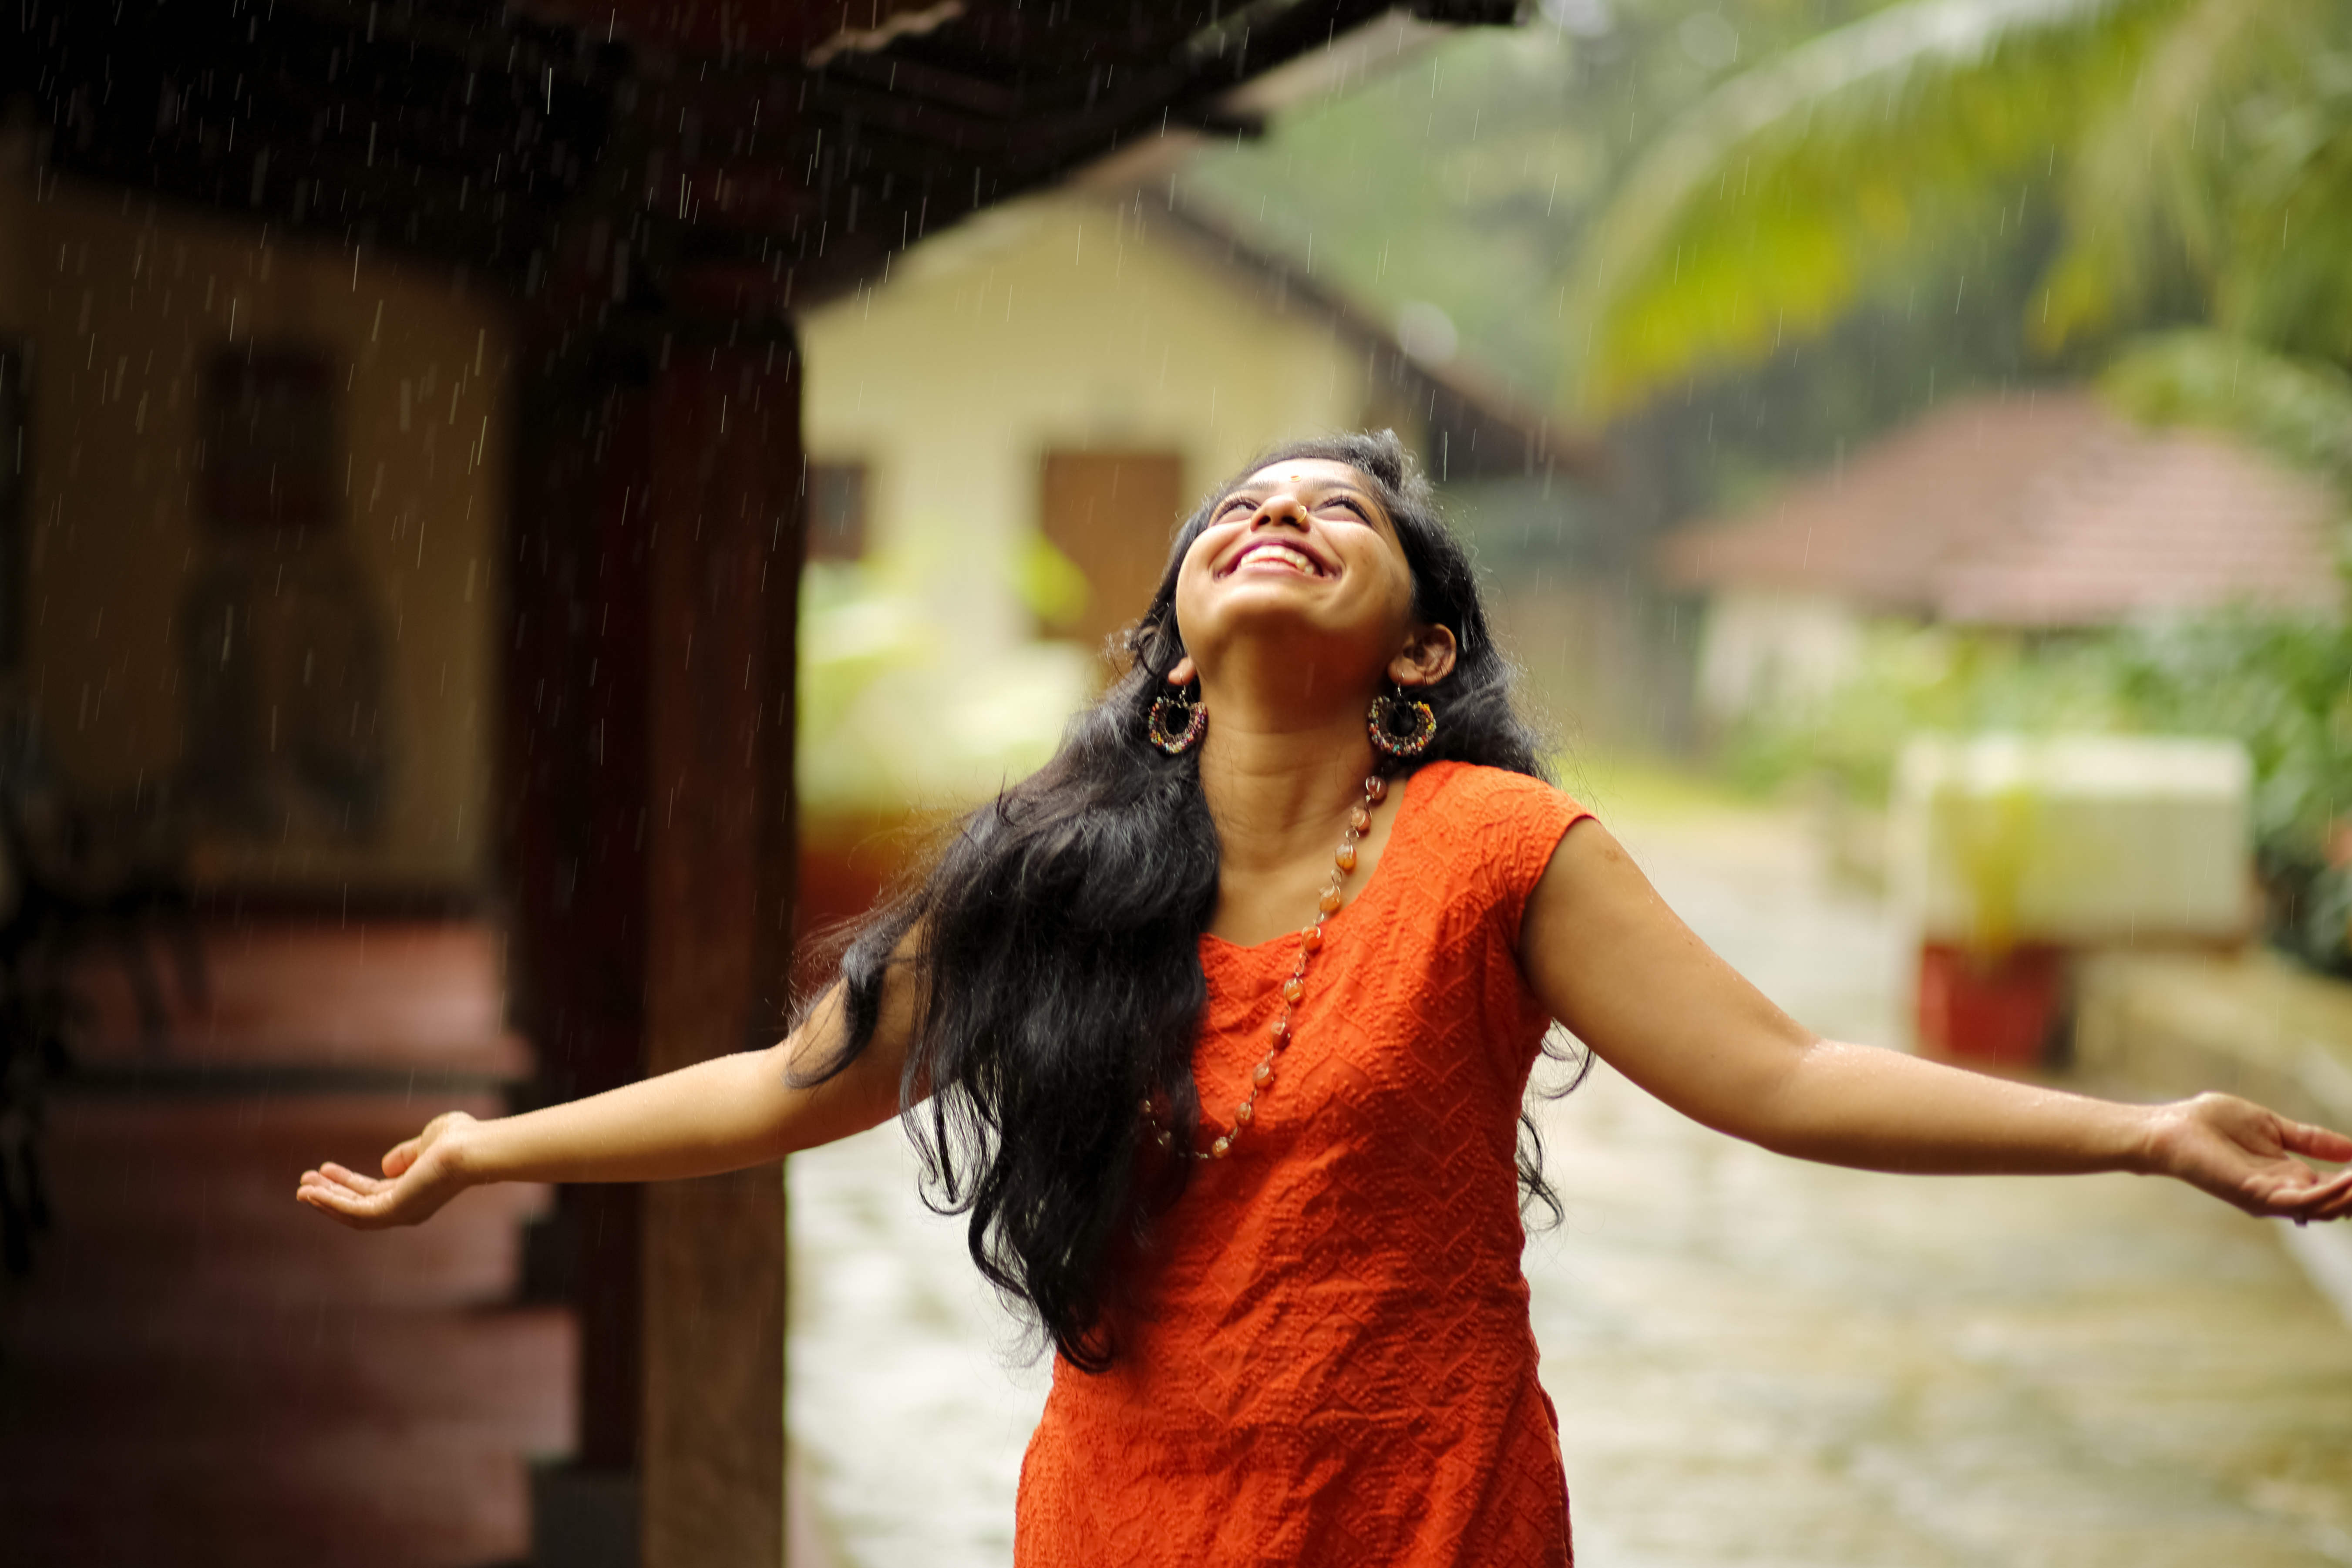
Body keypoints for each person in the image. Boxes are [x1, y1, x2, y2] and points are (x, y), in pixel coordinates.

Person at [299, 430, 2352, 1565]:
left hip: (1424, 1509)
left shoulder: (1492, 851)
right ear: (1178, 642)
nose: (1280, 516)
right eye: (1241, 511)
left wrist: (2142, 1128)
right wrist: (489, 1147)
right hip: (1124, 1511)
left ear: (1418, 653)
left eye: (1341, 515)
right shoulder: (1049, 861)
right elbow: (792, 1082)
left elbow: (1788, 1072)